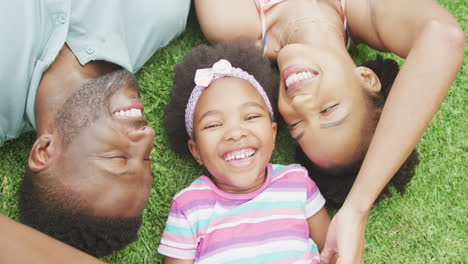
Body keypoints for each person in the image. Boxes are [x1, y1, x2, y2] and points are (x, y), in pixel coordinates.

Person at [194, 0, 465, 263]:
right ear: (367, 79)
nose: (299, 103)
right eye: (329, 110)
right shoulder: (367, 11)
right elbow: (443, 36)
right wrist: (357, 208)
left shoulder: (232, 22)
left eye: (296, 125)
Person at [0, 0, 190, 260]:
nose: (147, 137)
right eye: (146, 159)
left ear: (44, 151)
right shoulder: (164, 15)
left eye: (117, 157)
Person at [158, 41, 333, 263]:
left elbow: (332, 251)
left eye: (250, 117)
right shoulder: (189, 207)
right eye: (213, 124)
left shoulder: (297, 182)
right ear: (196, 151)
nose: (235, 132)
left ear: (273, 133)